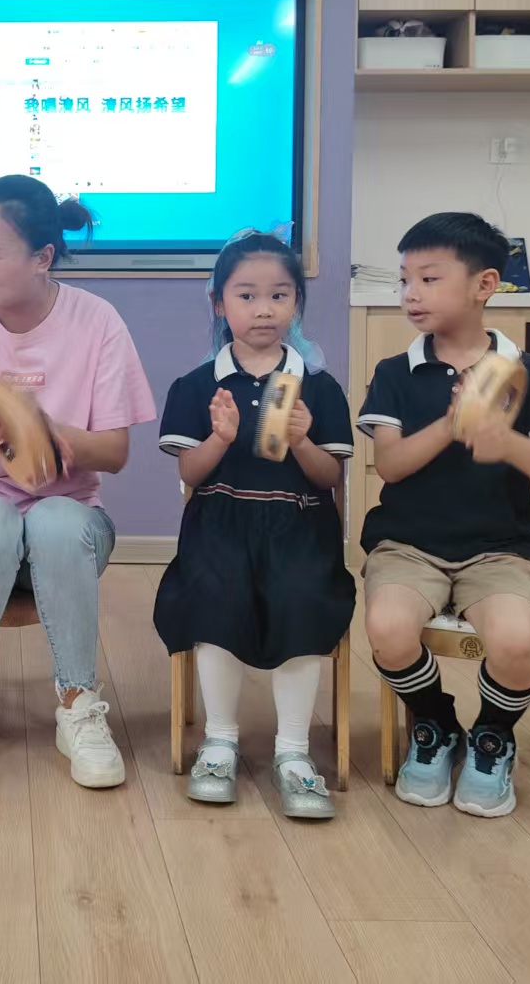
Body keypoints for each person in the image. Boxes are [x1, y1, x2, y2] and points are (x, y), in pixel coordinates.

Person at [0, 174, 156, 791]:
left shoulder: (98, 321)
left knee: (54, 519)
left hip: (67, 527)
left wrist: (49, 433)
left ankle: (79, 706)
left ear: (42, 257)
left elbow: (115, 453)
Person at [359, 213, 530, 818]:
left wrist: (504, 441)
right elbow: (391, 465)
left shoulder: (528, 372)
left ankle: (492, 736)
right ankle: (435, 725)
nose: (411, 293)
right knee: (387, 630)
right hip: (408, 545)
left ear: (484, 285)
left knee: (514, 643)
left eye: (429, 279)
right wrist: (453, 425)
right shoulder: (395, 373)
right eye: (404, 279)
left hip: (501, 549)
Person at [152, 231, 355, 816]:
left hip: (300, 526)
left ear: (296, 304)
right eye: (246, 296)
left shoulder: (319, 387)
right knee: (215, 592)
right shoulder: (197, 385)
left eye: (279, 296)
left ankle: (294, 752)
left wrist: (303, 440)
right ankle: (219, 743)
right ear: (219, 303)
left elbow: (330, 477)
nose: (263, 309)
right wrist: (219, 438)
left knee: (302, 595)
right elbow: (191, 472)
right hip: (220, 523)